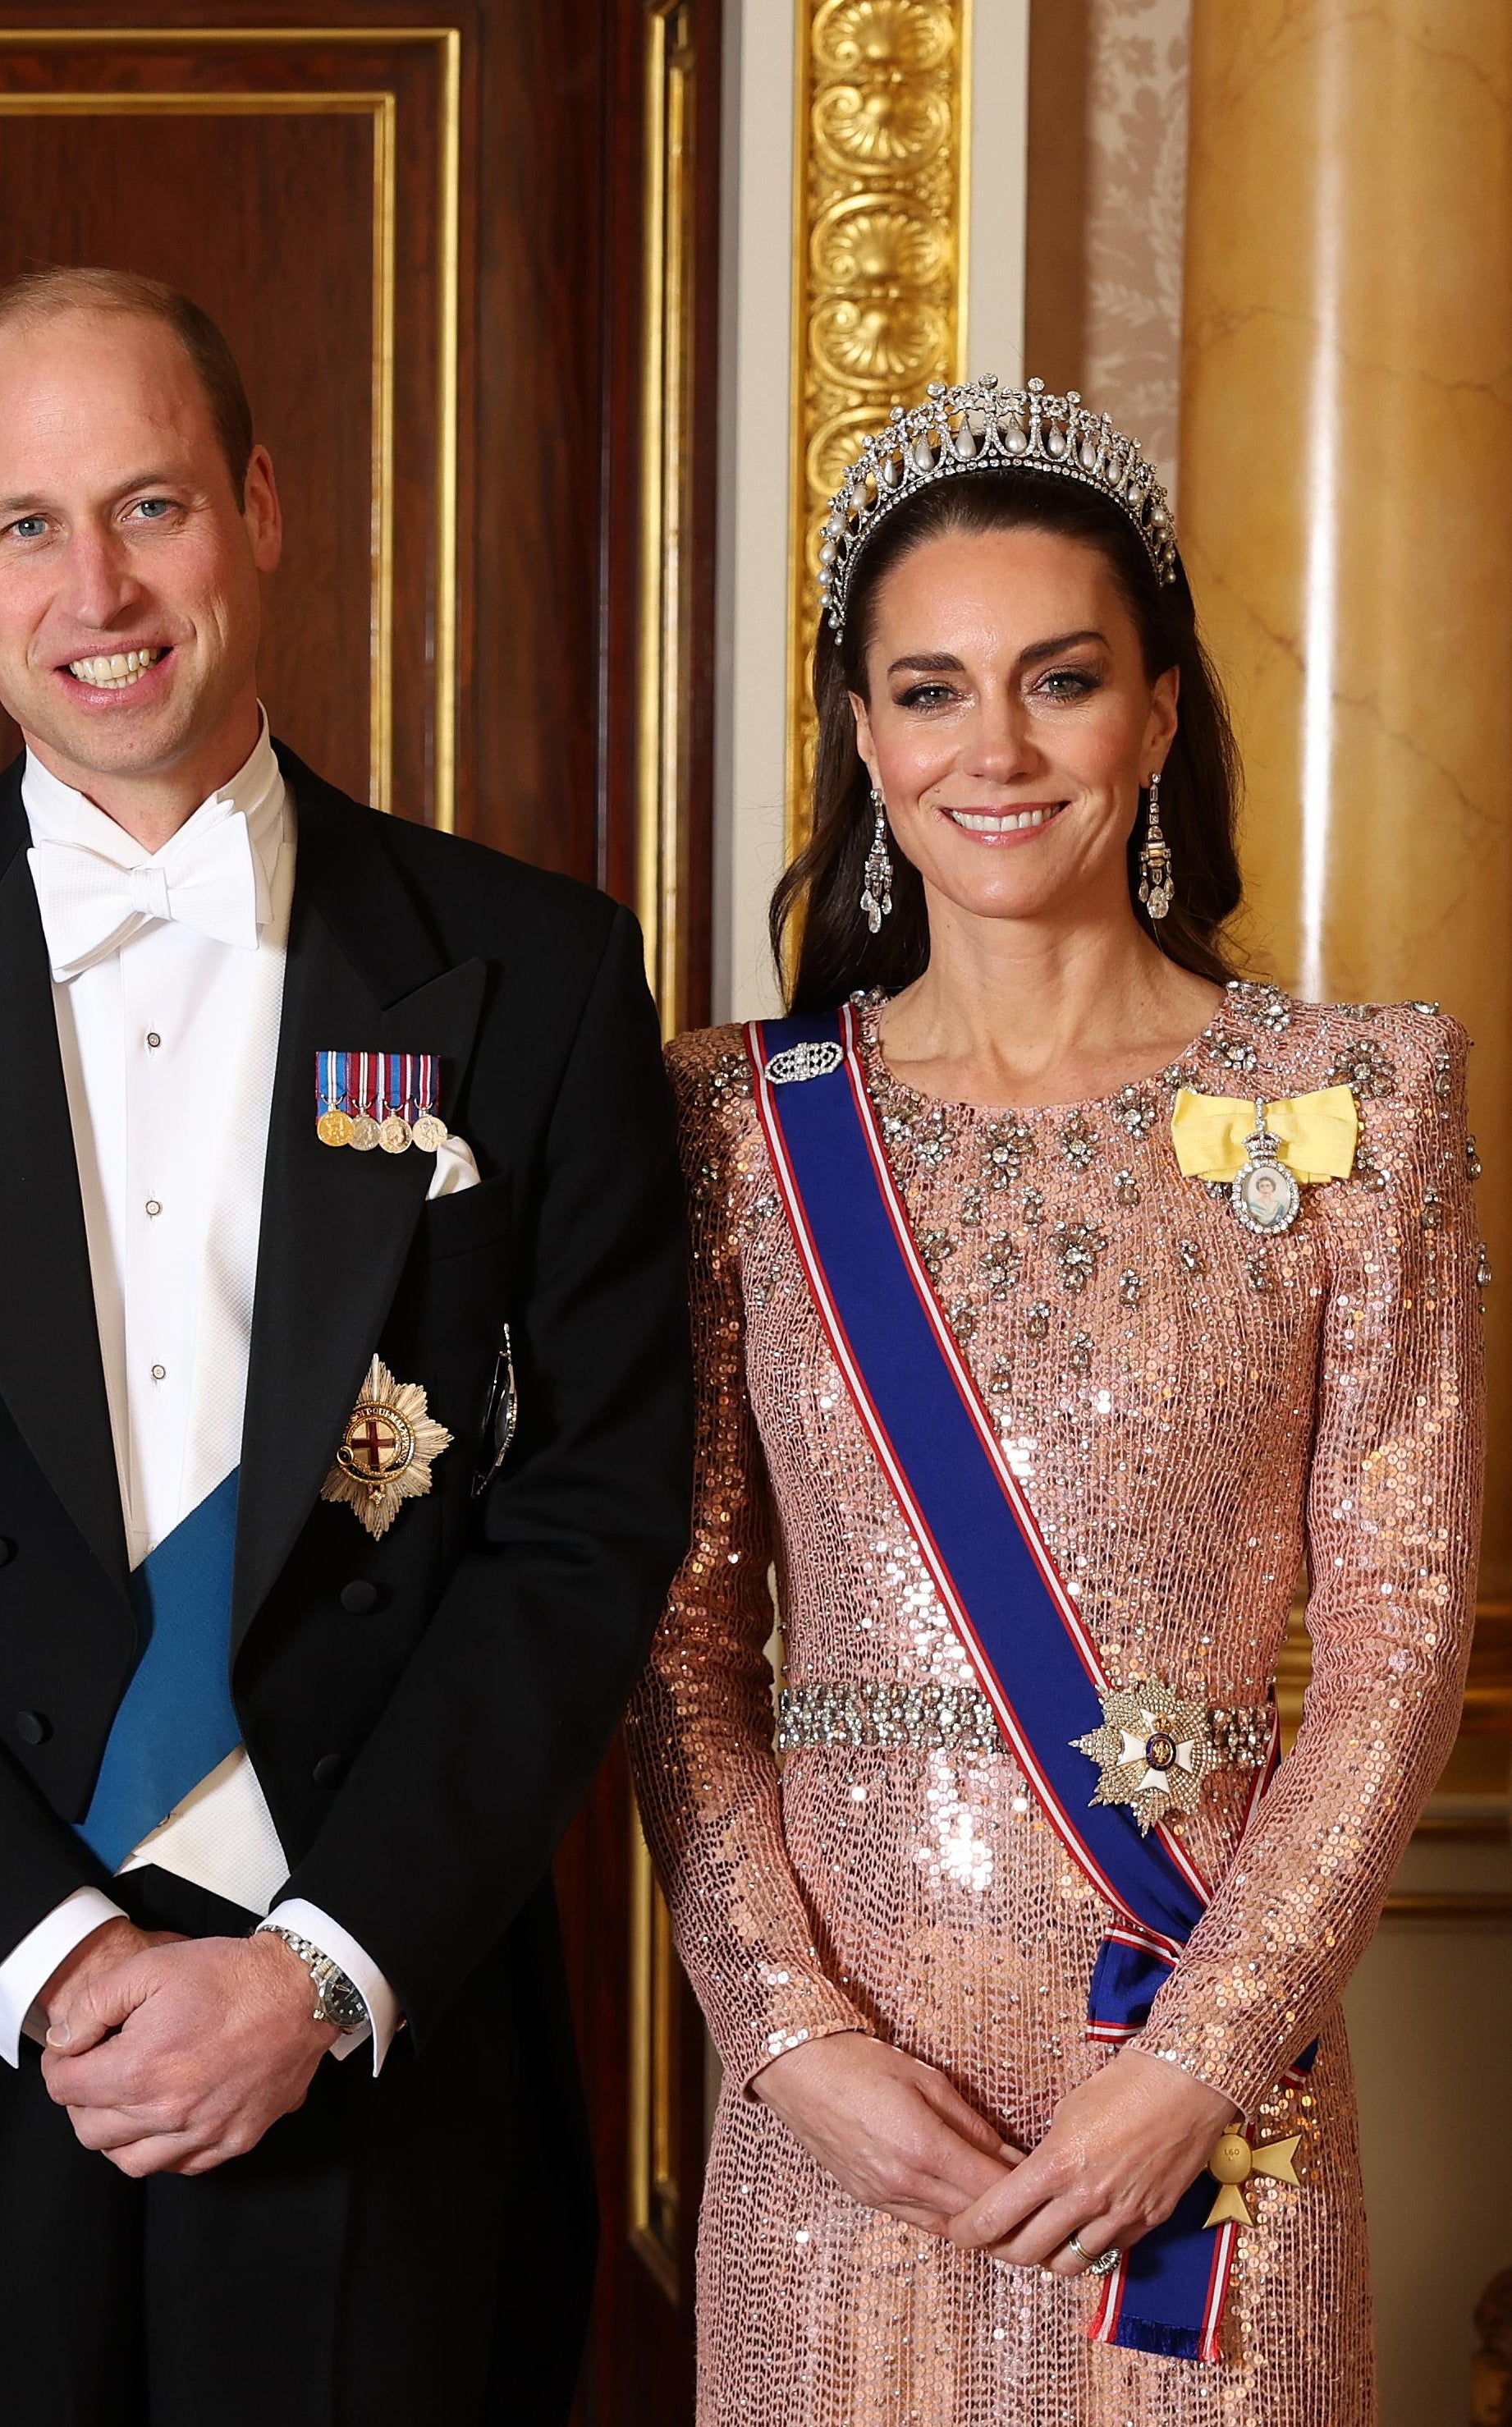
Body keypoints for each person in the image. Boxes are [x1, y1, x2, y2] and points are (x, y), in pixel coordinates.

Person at [0, 268, 693, 2422]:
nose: (95, 586)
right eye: (27, 524)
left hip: (373, 2045)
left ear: (262, 507)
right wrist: (54, 1963)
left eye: (150, 506)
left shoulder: (529, 970)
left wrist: (315, 1969)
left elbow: (585, 1524)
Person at [631, 378, 1481, 2420]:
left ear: (1160, 709)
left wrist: (1204, 2052)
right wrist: (786, 2033)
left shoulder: (1357, 1098)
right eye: (928, 689)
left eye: (1060, 679)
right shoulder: (735, 1125)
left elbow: (1396, 1621)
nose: (991, 750)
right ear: (859, 735)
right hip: (846, 2123)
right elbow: (674, 1636)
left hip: (1200, 2106)